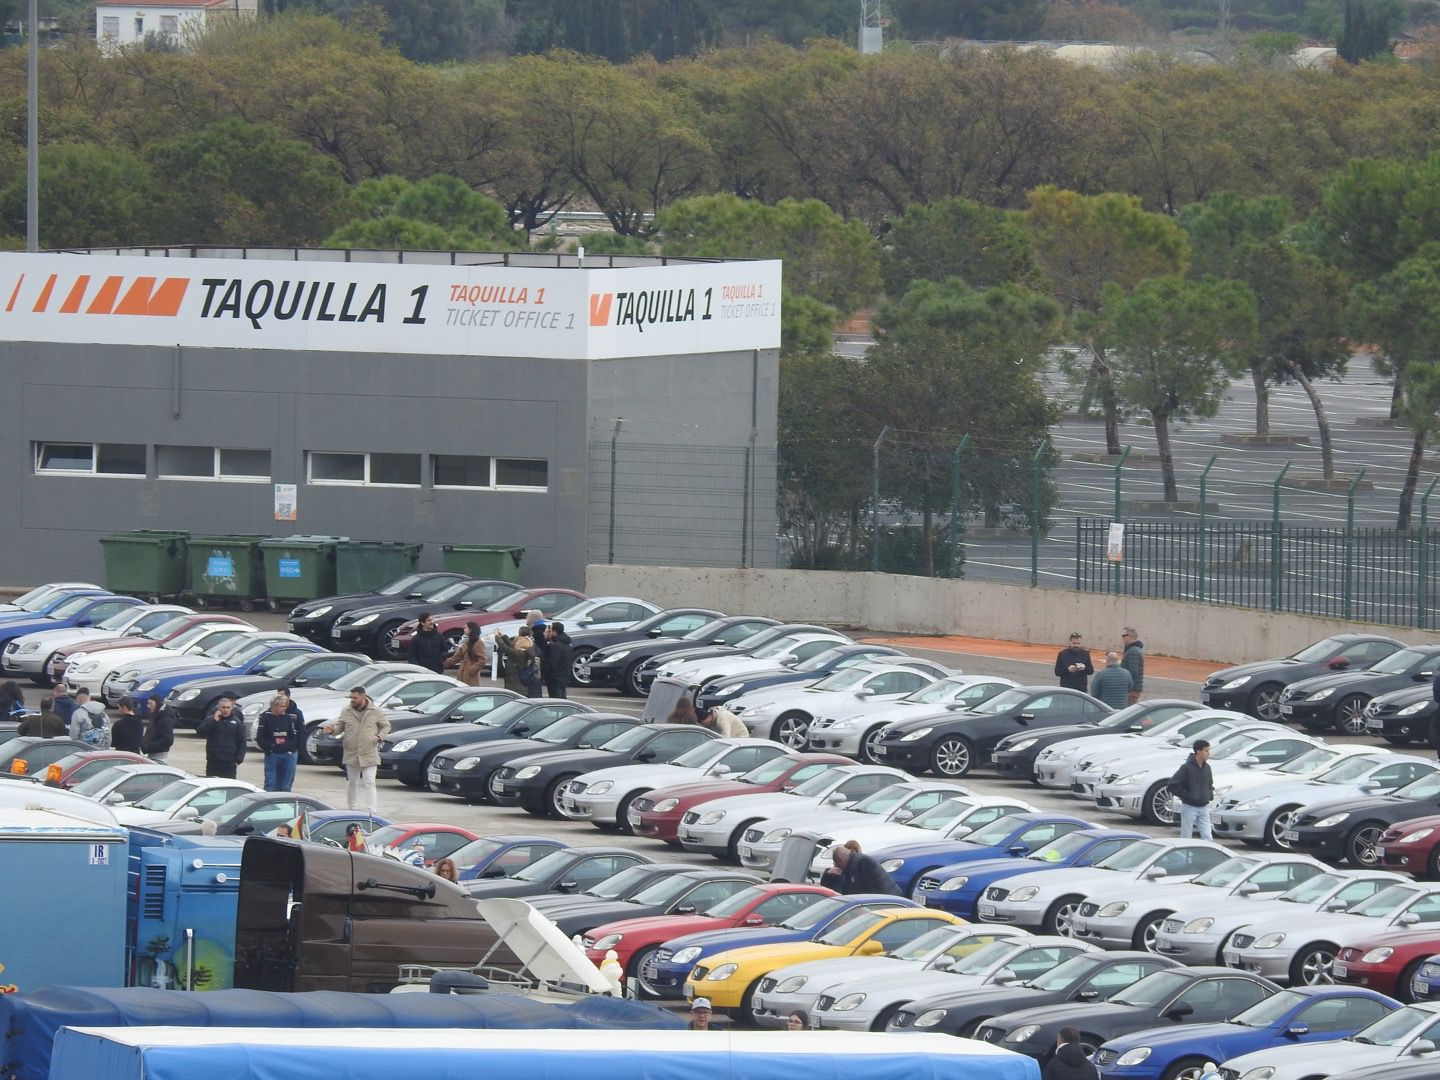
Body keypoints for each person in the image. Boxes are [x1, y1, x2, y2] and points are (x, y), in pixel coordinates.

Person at [324, 686, 390, 814]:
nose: (352, 700)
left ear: (363, 696)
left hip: (369, 752)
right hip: (352, 752)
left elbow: (386, 726)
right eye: (351, 697)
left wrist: (379, 736)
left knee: (369, 781)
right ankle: (351, 808)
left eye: (355, 697)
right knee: (352, 782)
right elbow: (340, 727)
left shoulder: (375, 711)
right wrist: (332, 731)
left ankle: (372, 811)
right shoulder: (346, 711)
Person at [1169, 739, 1214, 840]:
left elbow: (1210, 783)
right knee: (1186, 837)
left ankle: (1208, 854)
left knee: (1208, 837)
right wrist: (1186, 795)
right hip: (1189, 807)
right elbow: (1172, 784)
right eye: (1206, 751)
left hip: (1204, 807)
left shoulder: (1207, 768)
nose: (1208, 753)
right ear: (1198, 752)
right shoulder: (1186, 767)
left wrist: (1209, 795)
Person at [258, 693, 303, 792]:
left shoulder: (287, 718)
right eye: (281, 706)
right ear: (274, 706)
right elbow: (260, 737)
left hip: (288, 754)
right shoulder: (265, 717)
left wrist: (291, 748)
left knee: (285, 785)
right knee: (270, 783)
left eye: (285, 706)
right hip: (273, 754)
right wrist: (269, 748)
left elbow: (293, 735)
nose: (284, 709)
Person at [197, 696, 246, 779]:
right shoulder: (210, 720)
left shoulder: (237, 722)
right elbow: (201, 733)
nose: (225, 710)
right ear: (219, 708)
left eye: (228, 707)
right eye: (223, 707)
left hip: (229, 761)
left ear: (232, 708)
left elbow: (242, 741)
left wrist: (239, 759)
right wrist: (214, 721)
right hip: (213, 760)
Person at [831, 841, 901, 895]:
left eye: (837, 864)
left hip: (889, 898)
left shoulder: (861, 862)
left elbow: (856, 890)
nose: (836, 866)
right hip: (882, 896)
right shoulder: (852, 864)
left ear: (841, 860)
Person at [495, 626, 542, 697]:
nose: (516, 642)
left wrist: (497, 637)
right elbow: (512, 646)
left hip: (516, 688)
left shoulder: (518, 654)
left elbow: (504, 647)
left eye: (518, 641)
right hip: (520, 686)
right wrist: (503, 636)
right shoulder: (526, 650)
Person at [445, 621, 488, 686]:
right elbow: (458, 657)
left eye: (465, 628)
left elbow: (482, 660)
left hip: (471, 676)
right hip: (462, 674)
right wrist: (445, 663)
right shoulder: (466, 642)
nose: (463, 629)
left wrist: (472, 670)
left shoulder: (478, 642)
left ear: (471, 630)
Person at [542, 621, 573, 699]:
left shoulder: (556, 646)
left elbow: (553, 663)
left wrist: (547, 675)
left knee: (555, 699)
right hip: (565, 676)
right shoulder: (567, 644)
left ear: (555, 632)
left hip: (555, 679)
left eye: (550, 631)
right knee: (562, 698)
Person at [143, 697, 175, 764]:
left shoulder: (165, 719)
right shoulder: (155, 716)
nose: (148, 706)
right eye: (147, 704)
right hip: (152, 756)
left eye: (150, 703)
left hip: (159, 758)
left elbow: (168, 740)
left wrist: (149, 746)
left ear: (157, 703)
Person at [1121, 627, 1145, 705]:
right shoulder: (1133, 649)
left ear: (1129, 636)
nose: (1122, 638)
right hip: (1132, 689)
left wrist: (1128, 689)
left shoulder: (1133, 651)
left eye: (1123, 635)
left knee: (1129, 713)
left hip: (1132, 690)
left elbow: (1133, 672)